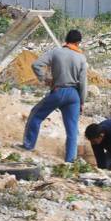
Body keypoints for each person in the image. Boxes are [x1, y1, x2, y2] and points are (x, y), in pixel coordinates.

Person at [21, 30, 88, 162]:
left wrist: (45, 79)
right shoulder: (81, 58)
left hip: (59, 91)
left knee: (36, 115)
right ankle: (70, 160)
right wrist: (82, 101)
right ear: (78, 43)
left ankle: (28, 145)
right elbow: (84, 83)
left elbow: (36, 65)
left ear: (66, 40)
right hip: (74, 95)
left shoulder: (56, 52)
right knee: (72, 130)